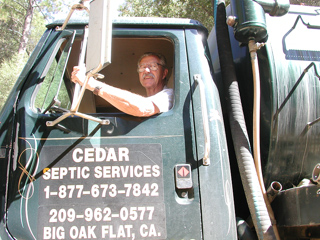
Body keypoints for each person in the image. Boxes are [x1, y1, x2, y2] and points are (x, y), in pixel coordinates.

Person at [71, 52, 173, 117]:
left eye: (153, 66)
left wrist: (92, 84)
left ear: (164, 73)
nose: (146, 70)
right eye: (142, 67)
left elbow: (143, 108)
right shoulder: (149, 98)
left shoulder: (170, 95)